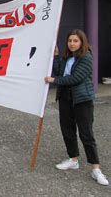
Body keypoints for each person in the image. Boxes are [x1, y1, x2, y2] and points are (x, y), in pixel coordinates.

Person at [45, 29, 108, 186]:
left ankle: (96, 169)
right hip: (65, 99)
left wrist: (53, 80)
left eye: (75, 41)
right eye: (70, 41)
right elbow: (60, 71)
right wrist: (56, 56)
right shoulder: (68, 57)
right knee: (68, 130)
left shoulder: (86, 58)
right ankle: (73, 160)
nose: (72, 43)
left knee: (86, 134)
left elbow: (74, 79)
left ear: (82, 42)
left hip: (82, 101)